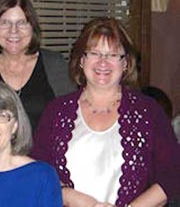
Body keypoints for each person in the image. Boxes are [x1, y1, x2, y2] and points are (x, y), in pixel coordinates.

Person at [30, 18, 180, 207]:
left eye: (113, 55)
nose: (103, 62)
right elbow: (39, 172)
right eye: (95, 53)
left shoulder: (148, 112)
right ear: (82, 60)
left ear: (125, 63)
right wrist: (74, 199)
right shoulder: (56, 111)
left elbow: (172, 175)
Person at [0, 0, 76, 131]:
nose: (13, 31)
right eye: (5, 23)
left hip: (46, 152)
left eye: (21, 23)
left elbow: (73, 119)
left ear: (32, 28)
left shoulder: (54, 65)